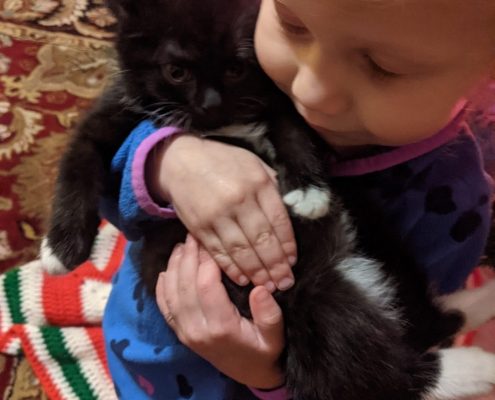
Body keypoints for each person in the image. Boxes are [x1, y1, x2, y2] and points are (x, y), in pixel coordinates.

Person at [102, 0, 495, 398]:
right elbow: (99, 175)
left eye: (384, 67)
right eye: (293, 27)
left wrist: (267, 377)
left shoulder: (453, 204)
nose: (311, 89)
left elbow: (391, 337)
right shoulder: (228, 61)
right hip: (142, 356)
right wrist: (166, 163)